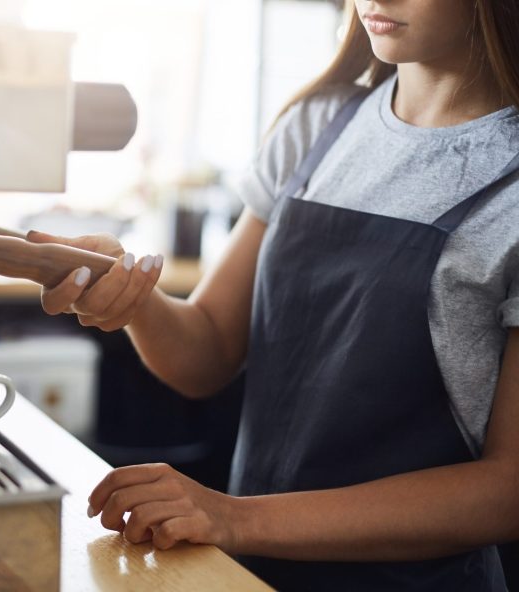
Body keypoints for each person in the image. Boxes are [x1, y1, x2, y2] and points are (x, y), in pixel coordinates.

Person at [27, 0, 519, 589]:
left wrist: (232, 516)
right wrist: (134, 299)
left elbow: (507, 490)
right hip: (245, 572)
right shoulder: (317, 125)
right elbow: (207, 350)